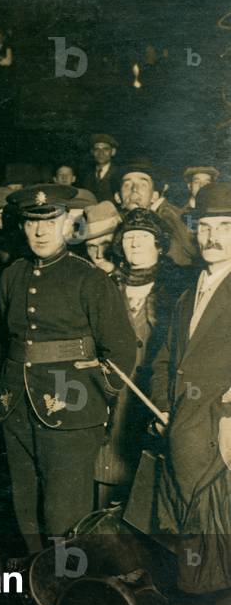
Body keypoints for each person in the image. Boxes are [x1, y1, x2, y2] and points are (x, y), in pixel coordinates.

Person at [0, 184, 136, 549]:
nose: (40, 231)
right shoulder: (11, 276)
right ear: (22, 226)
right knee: (23, 510)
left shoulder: (90, 279)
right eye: (31, 222)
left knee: (64, 517)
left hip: (71, 410)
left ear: (67, 223)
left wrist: (96, 395)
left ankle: (69, 595)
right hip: (15, 409)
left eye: (50, 220)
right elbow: (4, 341)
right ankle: (35, 597)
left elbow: (121, 350)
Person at [136, 182, 231, 605]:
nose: (213, 237)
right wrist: (163, 403)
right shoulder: (190, 287)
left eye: (225, 227)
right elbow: (167, 359)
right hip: (183, 436)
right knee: (187, 540)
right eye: (207, 227)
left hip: (224, 438)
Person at [94, 209, 186, 508]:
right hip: (113, 401)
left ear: (159, 245)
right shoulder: (105, 285)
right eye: (129, 237)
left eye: (143, 237)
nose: (134, 244)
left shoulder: (178, 289)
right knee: (106, 482)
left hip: (154, 400)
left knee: (146, 496)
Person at [116, 159, 196, 268]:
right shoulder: (115, 225)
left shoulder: (169, 225)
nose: (134, 189)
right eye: (127, 185)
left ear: (154, 196)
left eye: (143, 185)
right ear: (118, 197)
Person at [83, 133, 118, 202]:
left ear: (113, 152)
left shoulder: (119, 173)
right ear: (92, 152)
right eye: (96, 149)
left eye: (105, 149)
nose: (101, 153)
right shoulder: (86, 176)